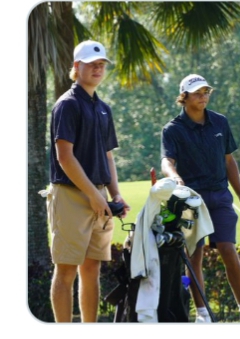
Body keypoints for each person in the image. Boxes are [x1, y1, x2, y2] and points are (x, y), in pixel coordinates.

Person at [160, 74, 240, 323]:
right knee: (195, 255)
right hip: (190, 199)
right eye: (197, 92)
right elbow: (167, 161)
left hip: (220, 196)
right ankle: (203, 315)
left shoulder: (220, 122)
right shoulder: (172, 129)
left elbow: (229, 161)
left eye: (206, 91)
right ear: (184, 97)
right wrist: (175, 177)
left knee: (228, 249)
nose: (203, 96)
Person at [47, 40, 130, 322]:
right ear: (76, 67)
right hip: (70, 194)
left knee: (92, 267)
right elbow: (65, 157)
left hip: (98, 196)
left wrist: (114, 195)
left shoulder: (103, 107)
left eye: (101, 64)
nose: (97, 67)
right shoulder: (67, 104)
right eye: (91, 63)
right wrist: (95, 197)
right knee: (67, 268)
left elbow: (107, 156)